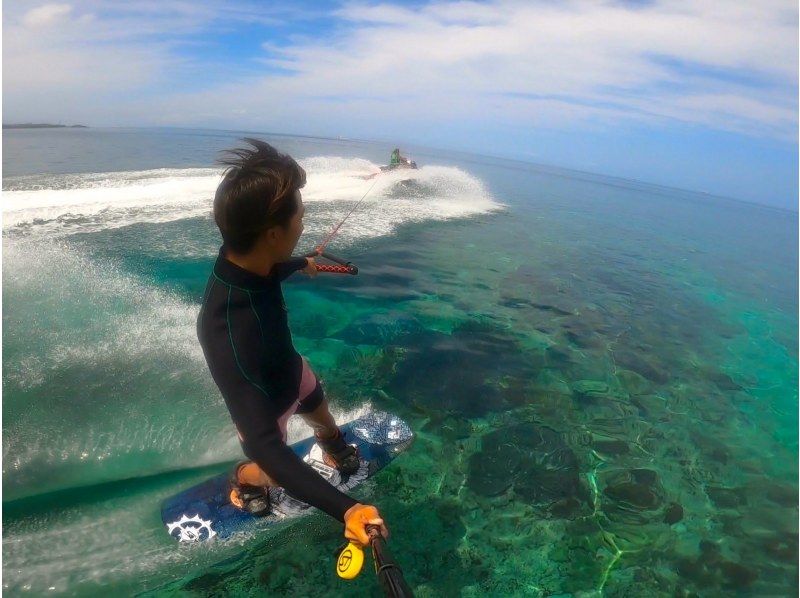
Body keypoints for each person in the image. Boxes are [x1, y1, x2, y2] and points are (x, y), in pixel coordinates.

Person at [196, 138, 388, 548]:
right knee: (270, 468)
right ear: (270, 233)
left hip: (290, 369)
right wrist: (347, 509)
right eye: (300, 216)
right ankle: (242, 478)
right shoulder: (226, 331)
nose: (302, 223)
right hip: (265, 408)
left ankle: (331, 442)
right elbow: (265, 445)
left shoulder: (247, 257)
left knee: (319, 406)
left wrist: (302, 263)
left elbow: (266, 271)